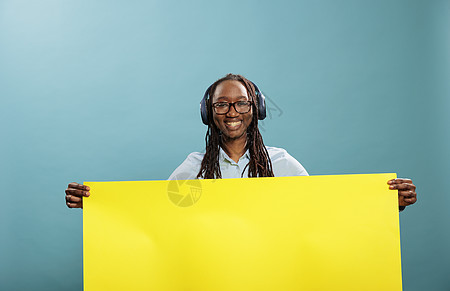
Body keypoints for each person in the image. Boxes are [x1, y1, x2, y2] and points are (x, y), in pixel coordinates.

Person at [65, 74, 417, 210]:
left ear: (256, 109)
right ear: (209, 112)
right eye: (221, 103)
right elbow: (156, 214)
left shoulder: (282, 164)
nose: (231, 111)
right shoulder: (193, 168)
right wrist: (98, 208)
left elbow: (322, 211)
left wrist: (385, 205)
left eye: (241, 102)